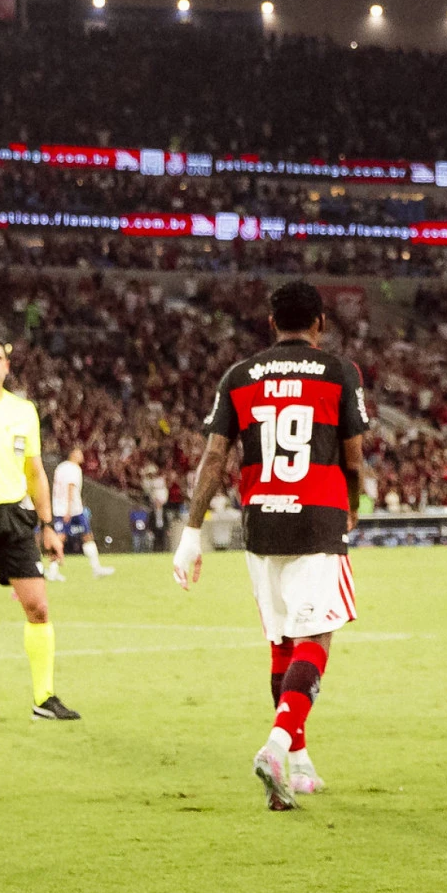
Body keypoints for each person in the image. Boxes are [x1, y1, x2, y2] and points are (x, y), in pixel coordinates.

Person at [172, 281, 367, 810]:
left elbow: (214, 460)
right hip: (319, 518)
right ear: (320, 323)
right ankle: (279, 745)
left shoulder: (240, 376)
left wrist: (192, 534)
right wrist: (354, 506)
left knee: (281, 639)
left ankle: (298, 765)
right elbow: (353, 457)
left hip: (261, 520)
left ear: (270, 322)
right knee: (316, 638)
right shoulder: (339, 373)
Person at [0, 333, 80, 722]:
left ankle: (44, 698)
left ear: (7, 367)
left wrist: (48, 525)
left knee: (38, 606)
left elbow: (34, 471)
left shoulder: (23, 410)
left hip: (13, 516)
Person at [48, 445, 114, 580]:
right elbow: (70, 487)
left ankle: (96, 568)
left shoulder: (60, 467)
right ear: (72, 454)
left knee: (86, 535)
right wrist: (68, 509)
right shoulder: (74, 469)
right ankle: (53, 571)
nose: (82, 455)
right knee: (62, 538)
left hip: (61, 507)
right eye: (79, 453)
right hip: (71, 510)